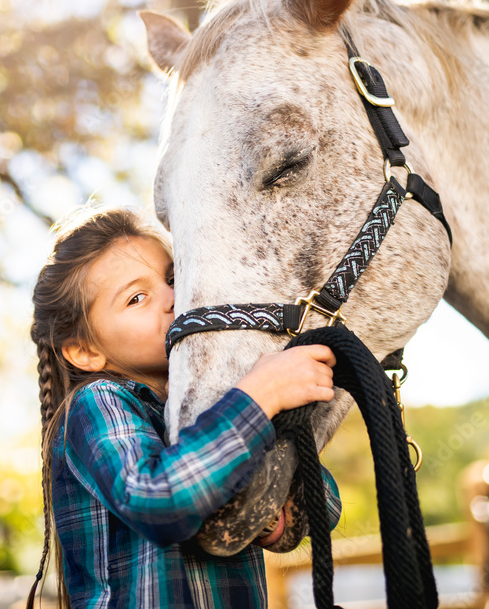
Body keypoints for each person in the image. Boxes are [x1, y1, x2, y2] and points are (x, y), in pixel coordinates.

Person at [28, 206, 342, 608]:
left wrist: (272, 508)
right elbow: (158, 500)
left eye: (172, 279)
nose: (174, 298)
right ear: (84, 351)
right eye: (136, 298)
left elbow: (325, 505)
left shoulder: (218, 406)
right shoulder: (97, 403)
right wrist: (260, 395)